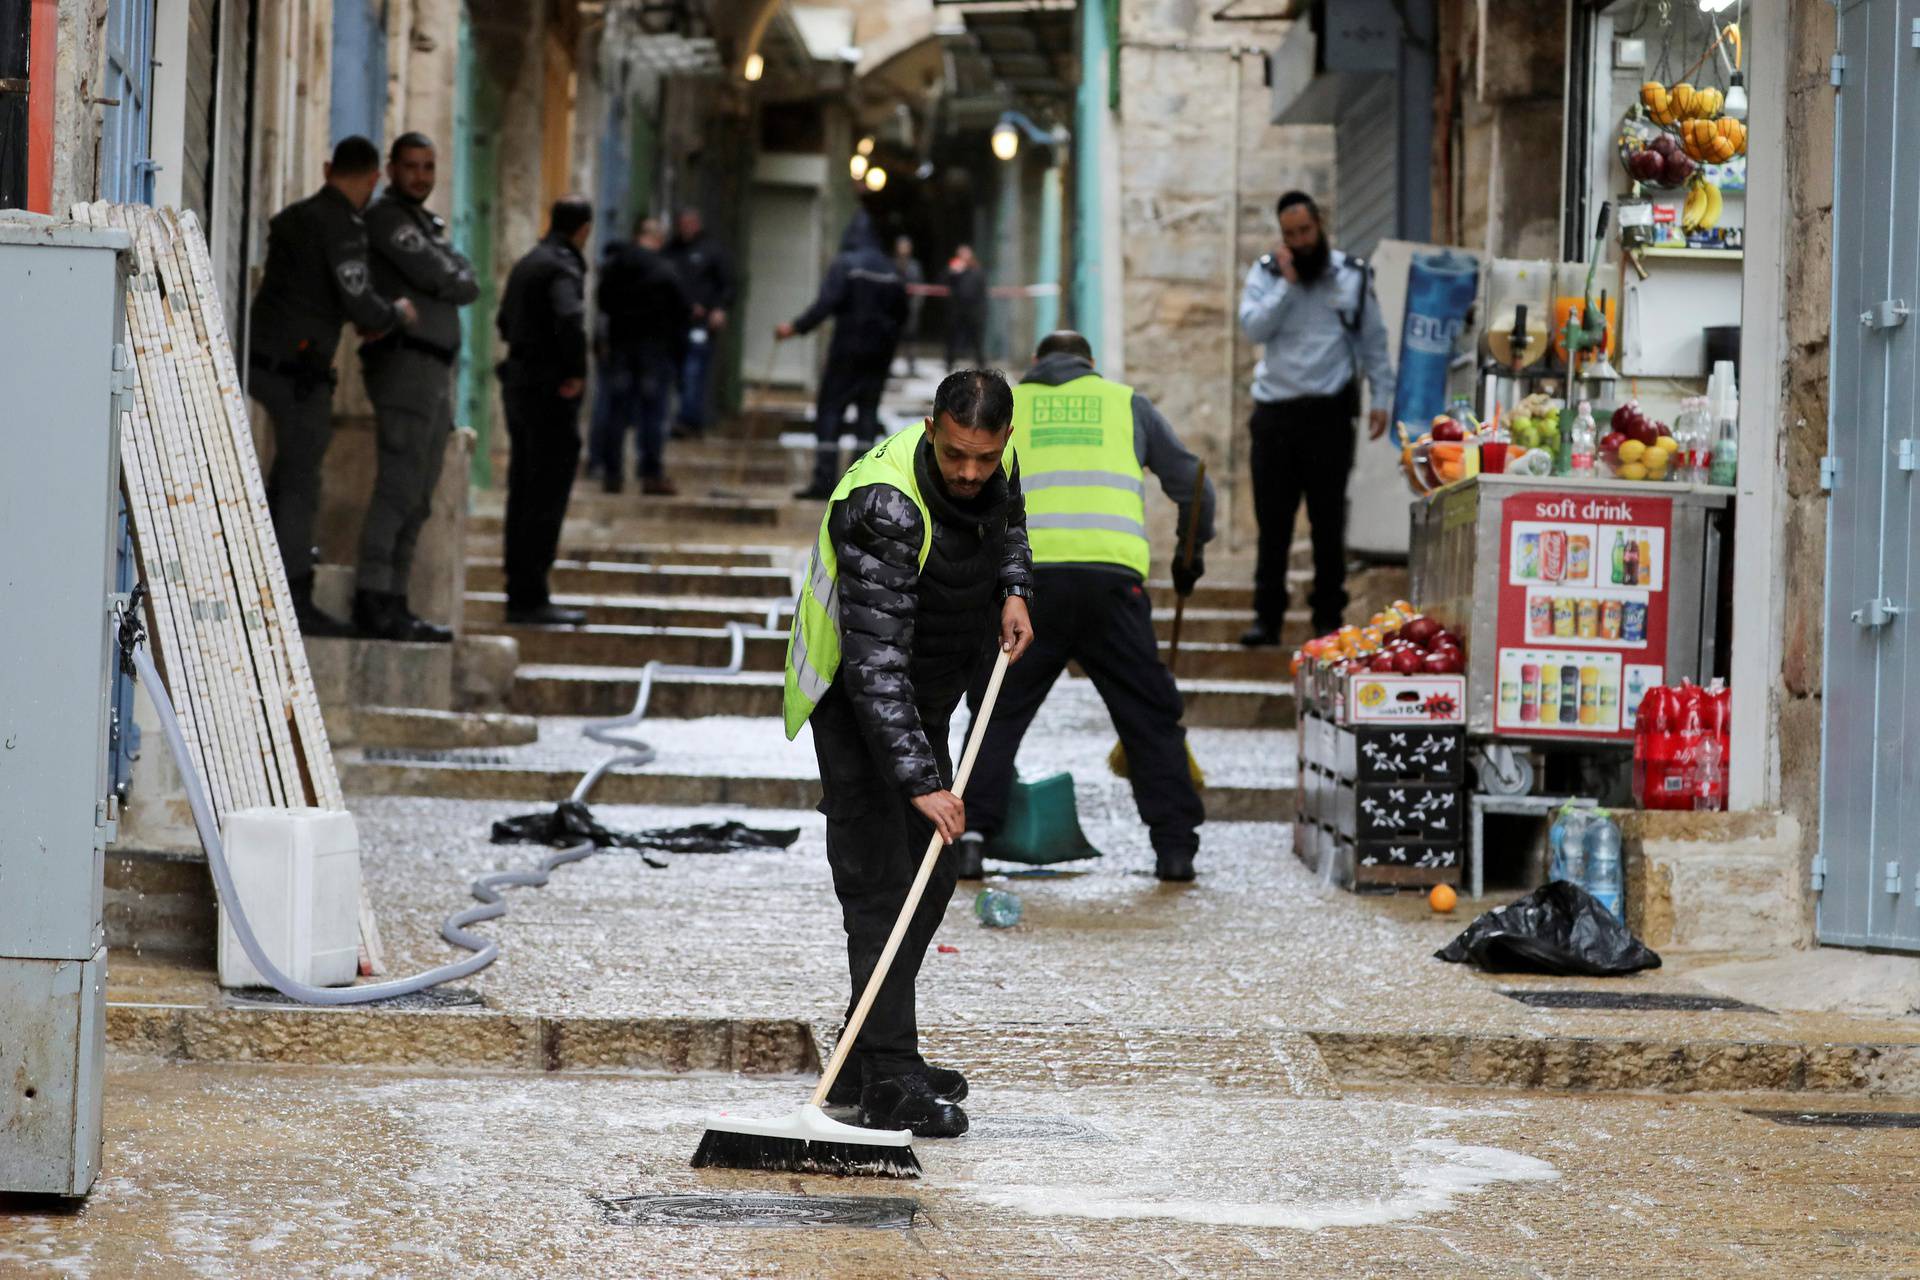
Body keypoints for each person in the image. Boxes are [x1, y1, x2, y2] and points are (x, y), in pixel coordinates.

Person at [782, 369, 1034, 1138]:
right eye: (956, 455)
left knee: (933, 872)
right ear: (931, 428)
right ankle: (887, 1077)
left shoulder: (997, 466)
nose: (969, 474)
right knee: (883, 885)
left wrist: (1015, 589)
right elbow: (874, 662)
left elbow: (1009, 521)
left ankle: (867, 1052)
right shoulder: (886, 506)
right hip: (856, 704)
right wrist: (922, 779)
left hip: (926, 695)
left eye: (984, 460)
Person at [960, 331, 1215, 883]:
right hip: (1112, 588)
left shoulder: (1005, 408)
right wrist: (1188, 560)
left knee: (995, 712)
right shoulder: (1128, 406)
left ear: (1034, 364)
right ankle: (1175, 850)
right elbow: (1196, 486)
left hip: (1024, 587)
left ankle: (971, 838)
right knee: (1149, 719)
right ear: (1090, 366)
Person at [249, 134, 417, 637]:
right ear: (374, 178)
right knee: (300, 486)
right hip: (300, 376)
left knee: (283, 482)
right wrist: (396, 314)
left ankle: (270, 581)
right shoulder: (343, 226)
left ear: (327, 168)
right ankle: (294, 599)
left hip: (261, 362)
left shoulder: (295, 217)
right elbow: (359, 299)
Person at [1236, 190, 1393, 647]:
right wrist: (1286, 284)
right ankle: (1267, 618)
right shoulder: (1267, 274)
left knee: (1327, 523)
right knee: (1274, 523)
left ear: (1320, 225)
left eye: (1305, 231)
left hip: (1327, 416)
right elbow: (1253, 328)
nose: (1300, 241)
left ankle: (1328, 616)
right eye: (1290, 234)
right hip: (1275, 416)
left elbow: (1374, 343)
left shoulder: (1351, 275)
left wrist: (1381, 397)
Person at [354, 131, 478, 643]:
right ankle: (372, 599)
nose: (420, 177)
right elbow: (446, 276)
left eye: (429, 167)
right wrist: (447, 273)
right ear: (391, 169)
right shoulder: (387, 218)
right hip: (404, 367)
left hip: (435, 372)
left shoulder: (427, 224)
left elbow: (465, 278)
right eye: (411, 167)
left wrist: (449, 273)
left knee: (420, 495)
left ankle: (396, 601)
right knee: (398, 489)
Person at [495, 196, 592, 627]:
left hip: (518, 385)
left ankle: (522, 589)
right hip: (547, 392)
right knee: (544, 493)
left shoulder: (528, 262)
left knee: (524, 489)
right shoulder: (561, 267)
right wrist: (574, 371)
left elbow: (503, 322)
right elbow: (569, 319)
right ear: (584, 230)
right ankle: (531, 595)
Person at [777, 209, 908, 500]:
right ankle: (858, 483)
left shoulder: (846, 264)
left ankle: (824, 480)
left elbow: (826, 304)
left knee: (830, 411)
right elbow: (903, 314)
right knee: (867, 415)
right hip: (879, 356)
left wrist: (795, 328)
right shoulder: (890, 270)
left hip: (847, 351)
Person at [591, 216, 691, 496]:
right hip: (654, 354)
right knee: (653, 416)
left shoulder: (616, 267)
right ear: (658, 239)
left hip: (621, 349)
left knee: (615, 413)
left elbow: (603, 304)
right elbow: (681, 314)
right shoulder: (665, 271)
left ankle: (612, 473)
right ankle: (650, 473)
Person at [661, 209, 735, 439]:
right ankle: (682, 419)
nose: (686, 228)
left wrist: (719, 309)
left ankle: (688, 421)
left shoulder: (712, 251)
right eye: (683, 224)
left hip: (700, 325)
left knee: (694, 372)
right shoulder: (671, 251)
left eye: (690, 223)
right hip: (674, 325)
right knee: (677, 375)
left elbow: (728, 284)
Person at [943, 245, 987, 370]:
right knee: (952, 338)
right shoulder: (954, 270)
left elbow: (980, 291)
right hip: (957, 310)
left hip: (973, 311)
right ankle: (949, 362)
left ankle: (981, 363)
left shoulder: (977, 271)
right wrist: (953, 272)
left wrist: (981, 311)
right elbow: (944, 280)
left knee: (976, 339)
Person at [893, 235, 925, 376]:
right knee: (892, 336)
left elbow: (919, 285)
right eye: (901, 246)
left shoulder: (914, 266)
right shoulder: (892, 264)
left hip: (910, 306)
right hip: (895, 306)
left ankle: (911, 365)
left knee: (911, 336)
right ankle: (889, 366)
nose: (904, 249)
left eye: (906, 246)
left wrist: (917, 303)